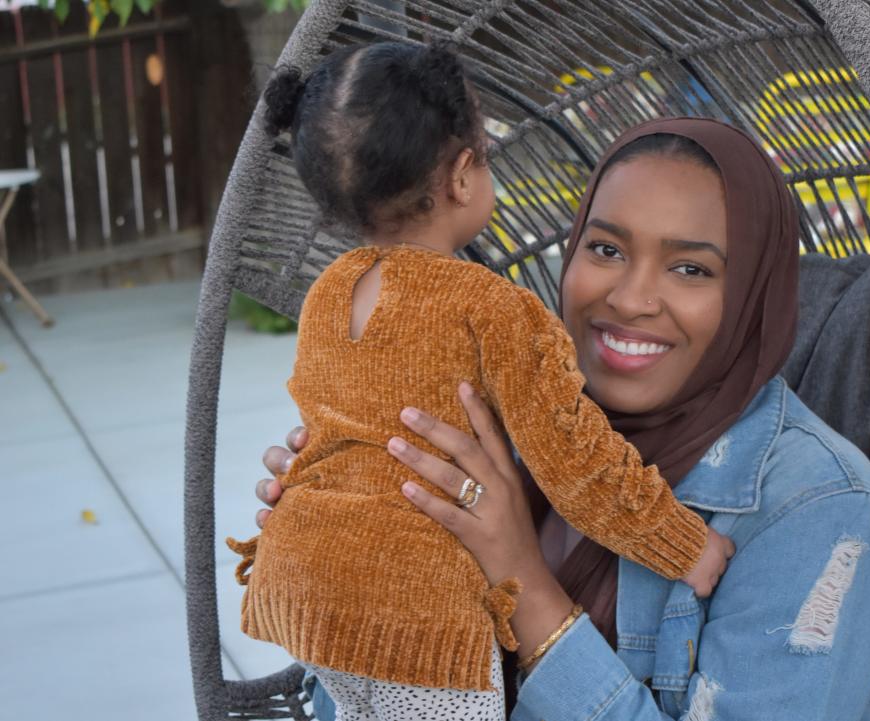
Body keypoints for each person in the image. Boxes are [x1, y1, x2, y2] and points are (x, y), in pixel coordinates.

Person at [255, 117, 870, 720]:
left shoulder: (819, 509)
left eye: (690, 267)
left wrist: (522, 578)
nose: (629, 298)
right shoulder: (499, 421)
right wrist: (341, 530)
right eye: (605, 250)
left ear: (750, 296)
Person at [226, 43, 733, 720]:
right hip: (413, 607)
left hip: (304, 583)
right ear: (463, 174)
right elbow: (574, 461)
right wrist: (686, 544)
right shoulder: (492, 308)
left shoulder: (329, 291)